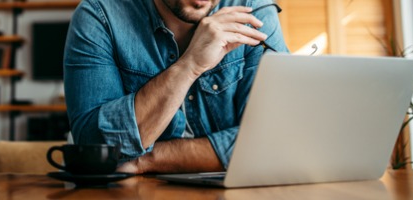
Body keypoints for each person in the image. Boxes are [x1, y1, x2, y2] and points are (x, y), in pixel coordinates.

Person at [63, 0, 288, 174]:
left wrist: (149, 159)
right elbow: (94, 149)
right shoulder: (100, 15)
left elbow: (279, 140)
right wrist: (189, 65)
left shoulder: (253, 12)